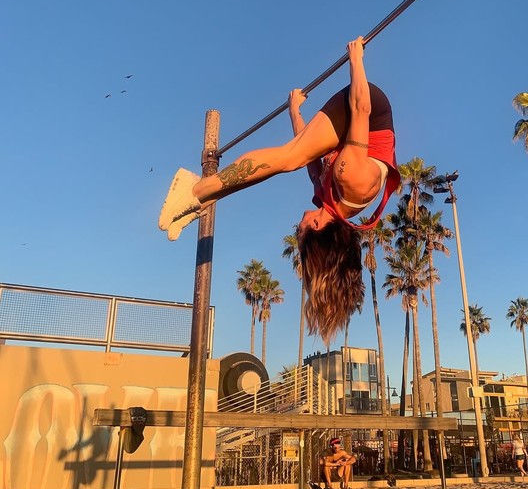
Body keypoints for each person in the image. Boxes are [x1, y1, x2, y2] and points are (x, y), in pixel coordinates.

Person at [159, 37, 400, 342]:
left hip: (346, 136)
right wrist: (356, 60)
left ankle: (199, 201)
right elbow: (361, 108)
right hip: (369, 110)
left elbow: (307, 150)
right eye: (300, 233)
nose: (297, 226)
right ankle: (196, 191)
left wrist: (294, 111)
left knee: (294, 156)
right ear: (314, 227)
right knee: (290, 158)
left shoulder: (326, 197)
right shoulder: (355, 183)